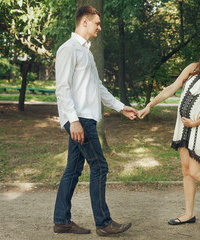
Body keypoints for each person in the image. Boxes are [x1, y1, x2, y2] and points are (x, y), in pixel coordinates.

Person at [53, 5, 137, 236]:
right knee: (99, 166)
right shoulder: (69, 49)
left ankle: (61, 220)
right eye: (97, 23)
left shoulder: (86, 52)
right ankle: (104, 223)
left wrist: (121, 107)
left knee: (73, 169)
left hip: (84, 119)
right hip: (80, 120)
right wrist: (73, 122)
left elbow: (97, 88)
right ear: (85, 22)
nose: (100, 27)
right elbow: (62, 89)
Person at [138, 41, 200, 228]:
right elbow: (171, 89)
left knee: (196, 171)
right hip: (183, 127)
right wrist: (150, 105)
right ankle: (189, 213)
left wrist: (196, 122)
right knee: (186, 171)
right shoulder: (192, 69)